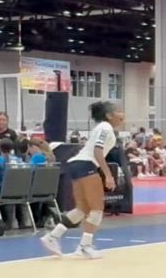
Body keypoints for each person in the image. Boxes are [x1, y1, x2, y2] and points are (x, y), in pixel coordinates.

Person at [41, 101, 122, 259]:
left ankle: (52, 236)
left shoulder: (103, 128)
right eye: (119, 111)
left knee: (82, 209)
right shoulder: (105, 127)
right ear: (109, 115)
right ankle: (85, 246)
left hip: (77, 164)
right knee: (97, 208)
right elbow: (98, 151)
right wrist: (108, 175)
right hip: (86, 164)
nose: (122, 115)